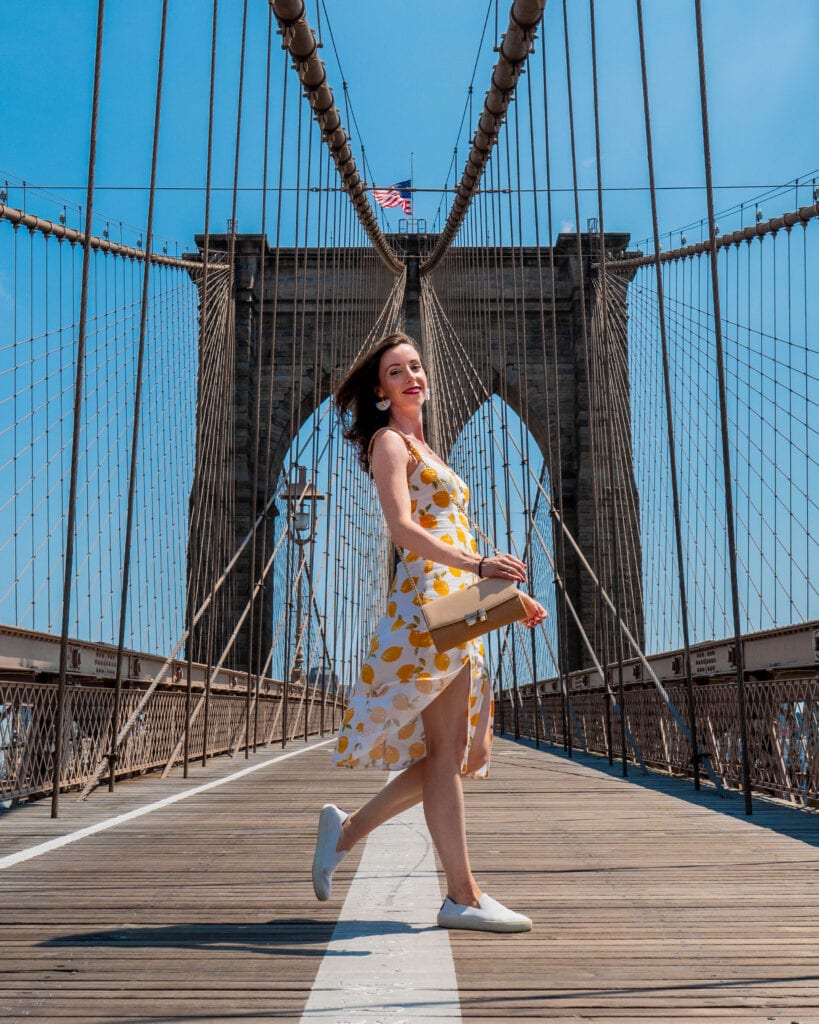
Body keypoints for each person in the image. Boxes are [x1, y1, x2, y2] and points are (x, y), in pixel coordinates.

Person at [311, 331, 547, 932]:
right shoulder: (390, 444)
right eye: (397, 372)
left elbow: (455, 534)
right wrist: (481, 572)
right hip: (430, 605)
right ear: (380, 391)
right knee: (448, 756)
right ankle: (462, 895)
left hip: (461, 602)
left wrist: (505, 596)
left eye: (416, 367)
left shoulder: (429, 448)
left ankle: (348, 830)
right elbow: (403, 532)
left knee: (463, 752)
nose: (412, 377)